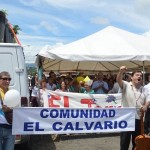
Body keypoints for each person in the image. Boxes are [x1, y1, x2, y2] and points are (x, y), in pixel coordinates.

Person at [117, 66, 149, 150]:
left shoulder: (144, 89)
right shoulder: (126, 85)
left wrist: (145, 106)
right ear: (131, 77)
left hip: (138, 119)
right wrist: (121, 72)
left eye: (140, 76)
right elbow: (118, 80)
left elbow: (148, 100)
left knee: (137, 142)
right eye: (137, 75)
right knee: (124, 142)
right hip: (126, 119)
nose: (139, 77)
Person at [0, 71, 15, 150]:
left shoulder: (11, 93)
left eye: (9, 79)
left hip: (10, 127)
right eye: (5, 79)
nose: (7, 81)